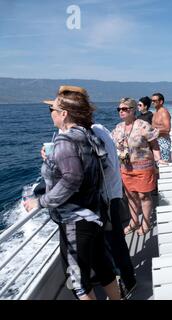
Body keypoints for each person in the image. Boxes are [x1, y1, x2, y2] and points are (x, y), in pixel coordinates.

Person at [23, 85, 120, 300]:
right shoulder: (87, 135)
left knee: (78, 281)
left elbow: (72, 178)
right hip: (94, 214)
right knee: (104, 268)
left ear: (64, 113)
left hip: (75, 221)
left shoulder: (65, 140)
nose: (51, 114)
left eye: (52, 110)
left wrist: (40, 202)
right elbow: (100, 166)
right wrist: (53, 160)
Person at [91, 122, 137, 299]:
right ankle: (122, 280)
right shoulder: (99, 130)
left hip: (106, 198)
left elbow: (108, 165)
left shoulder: (95, 132)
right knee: (111, 243)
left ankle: (127, 282)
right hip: (107, 196)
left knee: (113, 243)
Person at [112, 98, 161, 236]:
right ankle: (134, 222)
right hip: (126, 168)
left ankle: (146, 223)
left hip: (143, 167)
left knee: (144, 196)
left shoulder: (143, 126)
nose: (121, 111)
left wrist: (158, 159)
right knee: (131, 196)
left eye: (124, 109)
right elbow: (111, 145)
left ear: (133, 110)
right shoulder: (118, 128)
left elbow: (154, 145)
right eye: (119, 109)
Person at [151, 93, 171, 162]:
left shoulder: (164, 113)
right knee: (156, 165)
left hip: (163, 141)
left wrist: (154, 131)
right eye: (152, 100)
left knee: (163, 163)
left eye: (154, 100)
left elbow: (167, 129)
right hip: (155, 142)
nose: (152, 102)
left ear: (161, 101)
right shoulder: (155, 112)